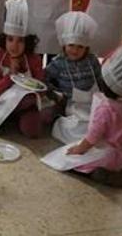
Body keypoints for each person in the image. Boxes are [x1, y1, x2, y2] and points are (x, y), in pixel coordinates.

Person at [41, 46, 122, 188]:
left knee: (69, 161)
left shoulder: (104, 108)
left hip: (104, 154)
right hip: (121, 154)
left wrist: (78, 150)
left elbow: (92, 138)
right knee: (113, 161)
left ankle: (102, 175)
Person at [0, 0, 59, 136]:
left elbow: (41, 89)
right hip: (4, 101)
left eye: (20, 41)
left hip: (28, 104)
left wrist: (32, 91)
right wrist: (10, 75)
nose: (14, 46)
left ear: (28, 42)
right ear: (4, 39)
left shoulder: (34, 59)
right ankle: (8, 116)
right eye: (10, 39)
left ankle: (21, 115)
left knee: (32, 131)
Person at [46, 12, 101, 144]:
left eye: (80, 47)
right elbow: (44, 79)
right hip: (72, 104)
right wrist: (55, 93)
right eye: (71, 45)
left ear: (86, 47)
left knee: (102, 119)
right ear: (64, 44)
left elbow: (100, 79)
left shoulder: (92, 60)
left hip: (93, 101)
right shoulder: (58, 63)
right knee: (80, 126)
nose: (75, 50)